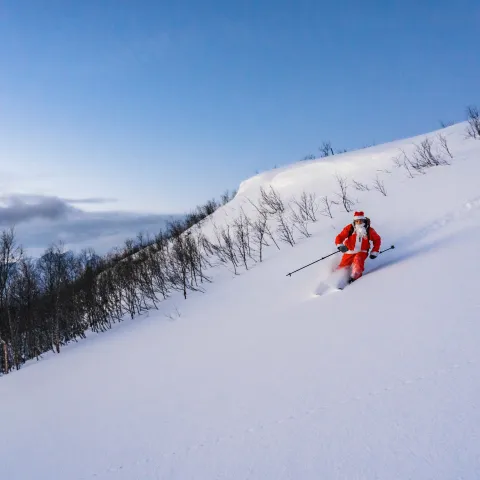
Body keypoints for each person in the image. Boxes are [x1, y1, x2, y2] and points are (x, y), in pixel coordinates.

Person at [335, 211, 381, 283]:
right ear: (354, 221)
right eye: (357, 221)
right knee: (344, 265)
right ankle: (336, 277)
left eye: (361, 220)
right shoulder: (350, 228)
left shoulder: (369, 230)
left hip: (362, 251)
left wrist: (375, 251)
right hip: (349, 250)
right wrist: (340, 245)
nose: (359, 222)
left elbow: (377, 239)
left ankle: (355, 276)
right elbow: (340, 237)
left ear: (364, 220)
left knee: (358, 259)